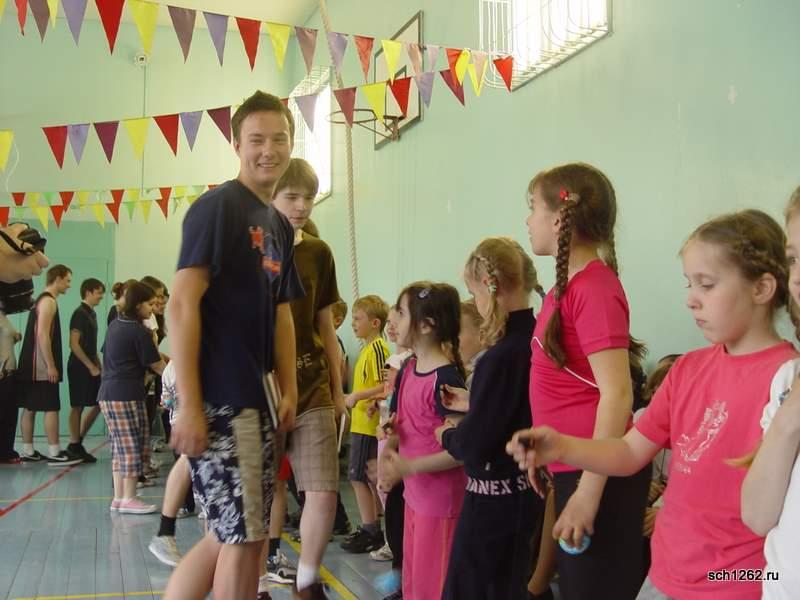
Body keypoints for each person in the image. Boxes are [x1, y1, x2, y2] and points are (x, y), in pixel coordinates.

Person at [509, 209, 798, 599]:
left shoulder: (786, 380)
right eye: (689, 284)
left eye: (707, 285)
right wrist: (563, 447)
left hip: (734, 585)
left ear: (761, 289)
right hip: (663, 575)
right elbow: (630, 451)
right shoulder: (688, 369)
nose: (692, 300)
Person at [164, 90, 303, 600]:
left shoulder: (278, 224)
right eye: (256, 140)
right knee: (245, 540)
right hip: (225, 399)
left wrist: (289, 388)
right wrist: (189, 405)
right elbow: (181, 304)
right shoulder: (218, 208)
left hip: (258, 399)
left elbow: (282, 313)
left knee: (232, 534)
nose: (269, 150)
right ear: (236, 144)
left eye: (279, 139)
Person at [521, 163, 651, 599]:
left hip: (599, 475)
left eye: (533, 208)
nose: (528, 220)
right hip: (574, 466)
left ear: (559, 218)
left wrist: (589, 492)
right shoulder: (565, 287)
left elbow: (617, 395)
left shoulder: (594, 288)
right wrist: (545, 452)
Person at [436, 237, 546, 600]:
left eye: (474, 293)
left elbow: (475, 443)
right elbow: (516, 407)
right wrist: (476, 402)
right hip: (523, 494)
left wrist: (448, 434)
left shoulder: (499, 356)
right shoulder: (535, 338)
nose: (476, 303)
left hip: (493, 501)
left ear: (488, 285)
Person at [265, 158, 346, 597]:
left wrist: (337, 389)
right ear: (271, 197)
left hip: (312, 385)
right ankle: (256, 576)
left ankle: (308, 578)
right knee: (261, 491)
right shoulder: (252, 248)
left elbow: (326, 327)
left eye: (309, 198)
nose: (301, 206)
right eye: (291, 197)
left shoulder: (319, 253)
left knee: (323, 491)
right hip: (264, 389)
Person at [377, 282, 467, 600]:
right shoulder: (409, 368)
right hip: (414, 497)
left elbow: (460, 451)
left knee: (433, 588)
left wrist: (410, 466)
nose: (394, 320)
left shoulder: (446, 379)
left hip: (440, 503)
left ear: (426, 325)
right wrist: (390, 443)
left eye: (401, 313)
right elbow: (403, 420)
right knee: (413, 585)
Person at [740, 187, 800, 599]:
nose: (796, 277)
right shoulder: (787, 379)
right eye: (794, 258)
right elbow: (758, 516)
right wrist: (789, 418)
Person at [100, 281, 167, 514]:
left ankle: (119, 497)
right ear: (138, 305)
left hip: (110, 392)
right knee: (131, 445)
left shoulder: (116, 324)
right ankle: (129, 497)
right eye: (150, 304)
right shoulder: (138, 331)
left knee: (119, 447)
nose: (153, 309)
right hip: (125, 394)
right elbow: (156, 365)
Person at [340, 295, 391, 554]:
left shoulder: (379, 349)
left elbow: (386, 385)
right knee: (366, 478)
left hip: (368, 426)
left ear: (375, 323)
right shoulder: (366, 349)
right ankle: (372, 526)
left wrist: (358, 396)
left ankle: (371, 529)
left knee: (358, 477)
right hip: (360, 424)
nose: (353, 324)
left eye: (358, 318)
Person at [17, 264, 82, 466]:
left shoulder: (40, 300)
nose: (69, 285)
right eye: (68, 281)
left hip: (30, 365)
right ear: (58, 279)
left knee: (30, 407)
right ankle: (55, 452)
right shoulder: (48, 302)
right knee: (51, 407)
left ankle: (28, 451)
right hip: (41, 367)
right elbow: (42, 335)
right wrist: (51, 365)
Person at [66, 278, 106, 463]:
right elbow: (74, 344)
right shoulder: (79, 314)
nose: (101, 297)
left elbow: (92, 345)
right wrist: (90, 366)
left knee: (99, 403)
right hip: (79, 366)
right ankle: (74, 444)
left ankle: (78, 440)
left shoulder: (92, 314)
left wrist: (98, 364)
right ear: (88, 292)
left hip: (92, 366)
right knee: (78, 405)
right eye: (98, 293)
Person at [0, 310, 21, 462]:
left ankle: (6, 451)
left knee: (9, 414)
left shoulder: (4, 316)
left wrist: (15, 338)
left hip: (11, 372)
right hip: (3, 372)